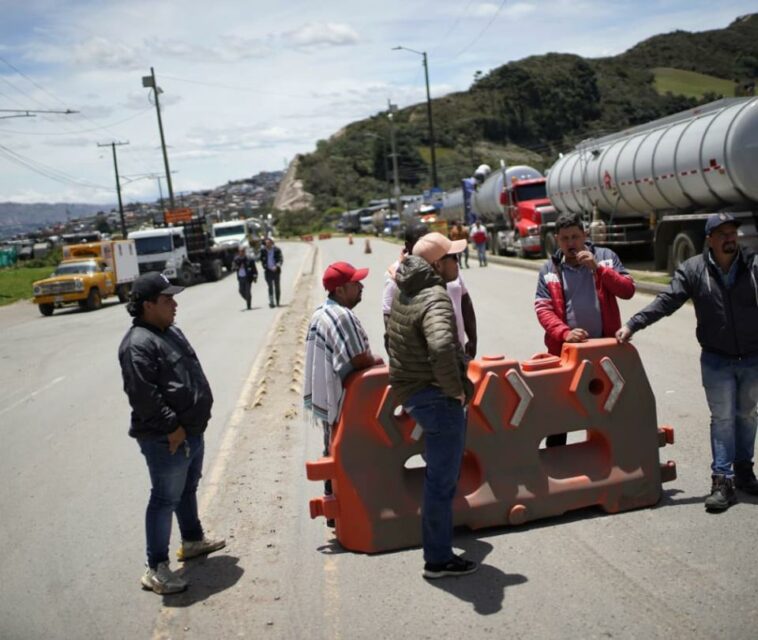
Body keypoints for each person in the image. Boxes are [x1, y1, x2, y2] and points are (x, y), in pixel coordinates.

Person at [616, 212, 758, 512]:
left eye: (733, 233)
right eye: (723, 234)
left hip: (752, 358)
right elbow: (667, 301)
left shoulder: (753, 266)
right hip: (717, 359)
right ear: (710, 240)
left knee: (747, 416)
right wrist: (633, 324)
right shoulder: (694, 270)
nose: (730, 239)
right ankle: (722, 480)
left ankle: (745, 472)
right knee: (722, 419)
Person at [118, 272, 225, 595]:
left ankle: (192, 540)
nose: (175, 304)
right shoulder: (137, 344)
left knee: (188, 488)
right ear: (148, 305)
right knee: (164, 499)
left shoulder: (170, 331)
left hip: (189, 431)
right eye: (167, 300)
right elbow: (143, 395)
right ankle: (156, 568)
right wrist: (173, 427)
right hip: (167, 437)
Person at [386, 232, 477, 579]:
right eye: (453, 257)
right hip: (437, 396)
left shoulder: (405, 289)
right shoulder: (436, 296)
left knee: (437, 478)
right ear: (438, 264)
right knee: (441, 481)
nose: (458, 262)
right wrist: (455, 390)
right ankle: (438, 559)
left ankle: (438, 552)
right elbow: (441, 348)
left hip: (412, 390)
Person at [534, 212, 635, 446]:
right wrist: (564, 333)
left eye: (576, 237)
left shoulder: (606, 258)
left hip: (605, 351)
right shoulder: (549, 270)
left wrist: (598, 268)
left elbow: (627, 290)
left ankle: (609, 458)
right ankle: (558, 462)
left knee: (607, 405)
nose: (571, 244)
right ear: (557, 240)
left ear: (585, 235)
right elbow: (543, 310)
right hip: (566, 353)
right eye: (565, 238)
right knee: (561, 410)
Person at [303, 261, 383, 525]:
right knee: (348, 453)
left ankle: (333, 508)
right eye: (355, 284)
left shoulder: (322, 312)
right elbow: (359, 358)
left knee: (332, 449)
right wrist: (378, 362)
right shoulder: (342, 316)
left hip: (329, 397)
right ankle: (344, 511)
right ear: (339, 290)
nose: (361, 287)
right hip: (345, 397)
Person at [383, 223, 477, 360]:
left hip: (453, 359)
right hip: (435, 368)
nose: (428, 242)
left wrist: (472, 339)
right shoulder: (396, 277)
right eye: (421, 240)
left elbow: (465, 302)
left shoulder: (450, 268)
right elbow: (391, 326)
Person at [260, 237, 283, 308]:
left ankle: (278, 301)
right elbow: (261, 259)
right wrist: (265, 266)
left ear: (271, 243)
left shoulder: (277, 250)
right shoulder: (263, 251)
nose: (267, 245)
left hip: (276, 271)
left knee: (277, 287)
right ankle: (271, 302)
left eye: (269, 243)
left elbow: (280, 259)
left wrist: (277, 266)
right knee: (270, 286)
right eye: (266, 243)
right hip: (268, 271)